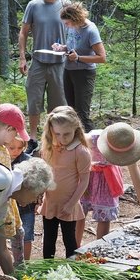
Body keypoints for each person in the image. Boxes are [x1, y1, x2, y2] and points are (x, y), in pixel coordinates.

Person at [76, 124, 140, 246]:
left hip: (108, 179)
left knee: (104, 216)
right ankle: (74, 248)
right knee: (79, 213)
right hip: (88, 175)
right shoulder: (92, 140)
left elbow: (138, 183)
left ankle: (99, 248)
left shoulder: (127, 148)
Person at [19, 0, 69, 149]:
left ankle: (53, 139)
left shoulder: (66, 5)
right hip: (38, 61)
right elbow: (23, 32)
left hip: (60, 64)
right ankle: (33, 138)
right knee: (34, 99)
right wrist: (23, 57)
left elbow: (75, 31)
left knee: (58, 104)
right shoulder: (33, 5)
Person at [0, 104, 30, 271]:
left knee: (19, 233)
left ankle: (20, 267)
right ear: (8, 128)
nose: (16, 136)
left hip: (7, 202)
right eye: (15, 132)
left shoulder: (1, 148)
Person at [39, 106, 91, 259]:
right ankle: (47, 271)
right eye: (57, 134)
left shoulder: (80, 152)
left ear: (76, 128)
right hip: (50, 202)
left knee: (69, 241)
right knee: (48, 241)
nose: (62, 139)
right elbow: (45, 175)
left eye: (67, 134)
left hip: (69, 204)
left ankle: (72, 273)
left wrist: (70, 205)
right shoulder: (49, 148)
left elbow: (84, 182)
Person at [51, 1, 106, 132]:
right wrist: (62, 48)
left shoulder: (91, 30)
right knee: (71, 112)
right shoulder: (72, 27)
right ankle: (76, 142)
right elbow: (72, 47)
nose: (66, 25)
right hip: (68, 71)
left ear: (75, 19)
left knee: (82, 114)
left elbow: (102, 57)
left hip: (84, 74)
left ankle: (92, 144)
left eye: (67, 23)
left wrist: (78, 58)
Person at [5, 137, 37, 260]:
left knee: (27, 235)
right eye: (12, 148)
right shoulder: (1, 160)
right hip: (8, 206)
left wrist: (38, 199)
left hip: (26, 207)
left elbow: (38, 183)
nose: (16, 151)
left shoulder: (29, 161)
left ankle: (26, 263)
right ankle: (13, 261)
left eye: (20, 148)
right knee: (8, 235)